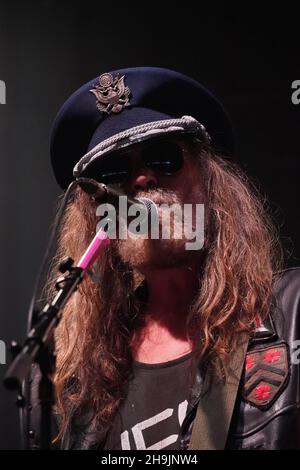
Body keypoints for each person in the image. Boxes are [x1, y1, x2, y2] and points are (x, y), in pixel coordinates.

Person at [29, 67, 300, 450]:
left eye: (163, 158)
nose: (140, 180)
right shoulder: (79, 375)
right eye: (115, 172)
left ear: (208, 183)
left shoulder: (292, 313)